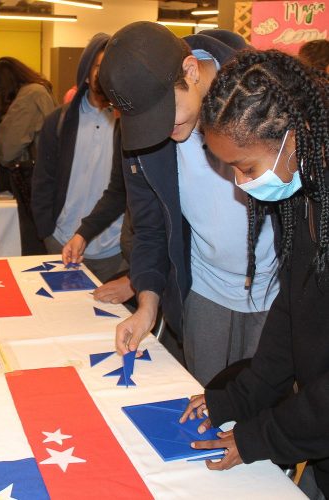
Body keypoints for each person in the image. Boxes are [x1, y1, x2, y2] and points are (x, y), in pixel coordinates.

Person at [180, 49, 328, 500]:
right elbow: (290, 314)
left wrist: (257, 437)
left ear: (294, 136)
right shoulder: (302, 195)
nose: (241, 185)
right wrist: (235, 399)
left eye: (246, 168)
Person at [98, 22, 279, 385]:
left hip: (276, 292)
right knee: (204, 398)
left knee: (261, 410)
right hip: (204, 290)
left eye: (167, 115)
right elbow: (150, 227)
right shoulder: (145, 134)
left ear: (191, 71)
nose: (161, 131)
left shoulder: (265, 98)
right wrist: (147, 306)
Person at [32, 33, 127, 284]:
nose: (106, 73)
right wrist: (47, 233)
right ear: (86, 72)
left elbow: (124, 190)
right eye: (99, 66)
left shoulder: (130, 125)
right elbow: (43, 181)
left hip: (113, 252)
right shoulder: (59, 121)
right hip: (61, 243)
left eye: (112, 66)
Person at [0, 57, 56, 255]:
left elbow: (7, 149)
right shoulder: (37, 90)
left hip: (32, 178)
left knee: (34, 243)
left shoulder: (30, 94)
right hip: (42, 177)